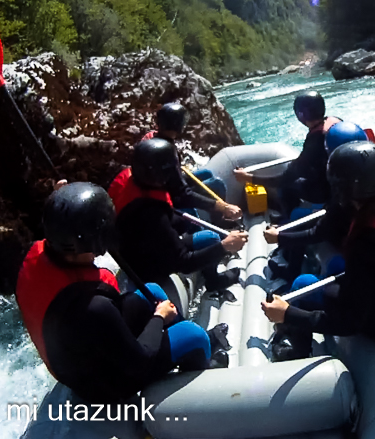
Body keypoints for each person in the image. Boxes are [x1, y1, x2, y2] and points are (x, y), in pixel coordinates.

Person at [15, 182, 225, 404]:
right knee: (193, 335)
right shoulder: (92, 306)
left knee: (151, 291)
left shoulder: (42, 254)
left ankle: (178, 346)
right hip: (107, 383)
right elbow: (140, 361)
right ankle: (201, 372)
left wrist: (63, 204)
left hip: (86, 347)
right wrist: (159, 317)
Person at [260, 142, 375, 360]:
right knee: (336, 273)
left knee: (303, 284)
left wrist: (288, 313)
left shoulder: (367, 241)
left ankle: (298, 352)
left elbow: (349, 322)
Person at [110, 138, 248, 292]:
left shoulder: (132, 180)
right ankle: (213, 281)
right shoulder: (152, 215)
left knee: (185, 223)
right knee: (210, 238)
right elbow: (184, 263)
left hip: (136, 247)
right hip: (146, 266)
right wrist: (225, 246)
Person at [261, 122, 370, 281]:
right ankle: (288, 251)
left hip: (348, 236)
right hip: (355, 227)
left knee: (299, 216)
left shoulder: (344, 191)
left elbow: (319, 232)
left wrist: (279, 237)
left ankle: (292, 271)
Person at [233, 91, 341, 216]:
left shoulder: (315, 140)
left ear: (301, 115)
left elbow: (285, 179)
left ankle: (287, 219)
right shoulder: (335, 122)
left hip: (327, 192)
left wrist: (249, 178)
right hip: (341, 185)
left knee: (287, 187)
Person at [143, 102, 242, 222]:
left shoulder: (153, 137)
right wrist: (223, 206)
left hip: (164, 185)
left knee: (206, 173)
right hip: (169, 195)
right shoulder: (166, 151)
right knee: (217, 184)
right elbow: (182, 194)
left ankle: (218, 217)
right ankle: (221, 221)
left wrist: (177, 168)